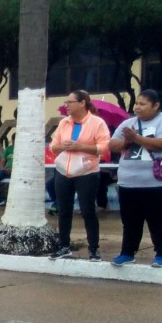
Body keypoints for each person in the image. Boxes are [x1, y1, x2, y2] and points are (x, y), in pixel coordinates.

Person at [108, 88, 162, 267]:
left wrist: (136, 138)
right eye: (136, 104)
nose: (137, 107)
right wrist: (126, 141)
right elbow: (112, 145)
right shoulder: (128, 123)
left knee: (157, 220)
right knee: (130, 221)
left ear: (155, 106)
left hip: (155, 183)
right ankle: (127, 253)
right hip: (128, 182)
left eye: (142, 104)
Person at [48, 90, 110, 261]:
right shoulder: (64, 123)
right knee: (64, 210)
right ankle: (64, 246)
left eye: (70, 102)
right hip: (63, 170)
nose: (66, 105)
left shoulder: (97, 123)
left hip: (87, 171)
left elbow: (104, 147)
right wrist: (63, 146)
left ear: (82, 103)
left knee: (88, 210)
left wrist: (80, 146)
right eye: (65, 102)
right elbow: (53, 146)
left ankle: (93, 249)